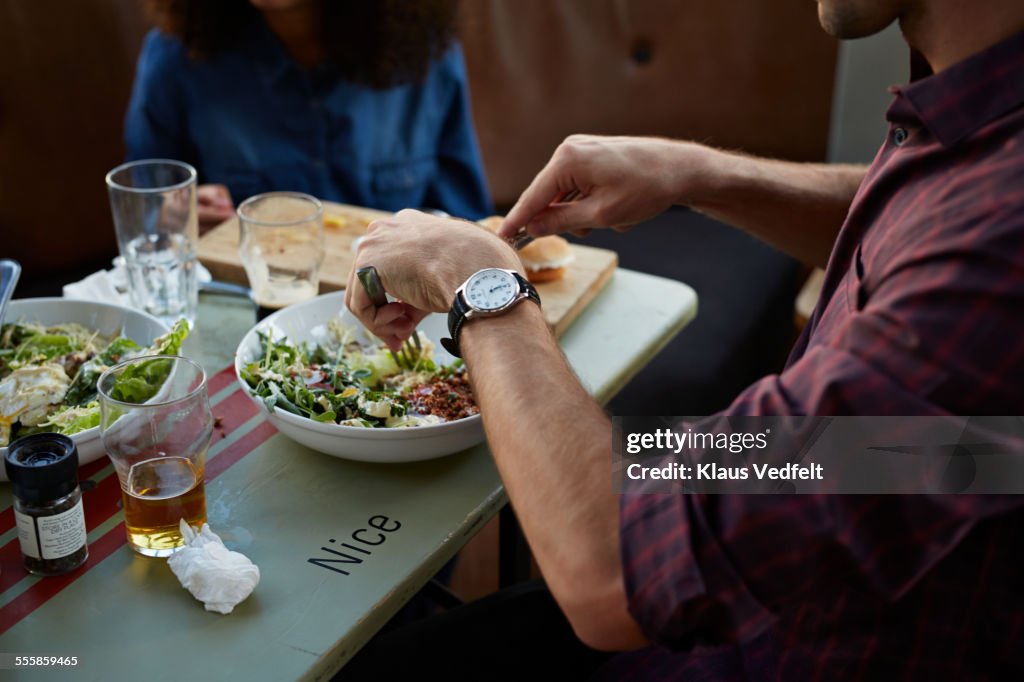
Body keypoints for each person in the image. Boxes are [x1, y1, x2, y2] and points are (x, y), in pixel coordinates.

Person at [340, 0, 1024, 679]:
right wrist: (700, 174)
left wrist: (483, 287)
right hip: (862, 476)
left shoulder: (1000, 243)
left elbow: (608, 575)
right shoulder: (983, 125)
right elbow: (919, 240)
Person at [125, 0, 492, 230]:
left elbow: (467, 220)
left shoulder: (425, 53)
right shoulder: (177, 59)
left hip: (405, 317)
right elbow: (145, 207)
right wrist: (174, 216)